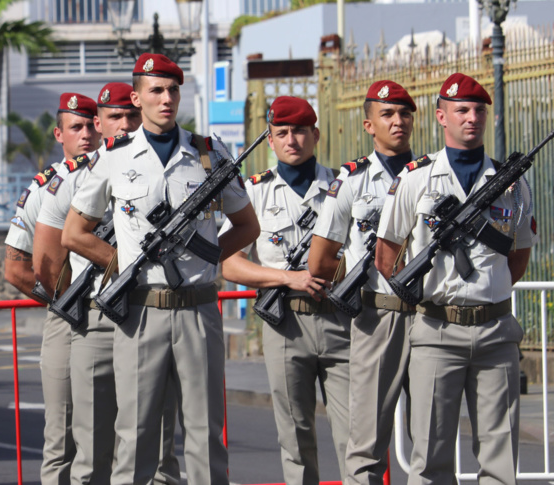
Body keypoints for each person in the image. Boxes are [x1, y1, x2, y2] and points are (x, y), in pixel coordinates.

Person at [62, 53, 259, 484]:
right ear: (137, 98)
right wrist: (125, 266)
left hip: (198, 309)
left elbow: (248, 226)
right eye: (156, 90)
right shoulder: (114, 156)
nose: (166, 98)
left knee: (205, 435)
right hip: (140, 311)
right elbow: (75, 233)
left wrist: (209, 257)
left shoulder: (208, 153)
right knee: (135, 437)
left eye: (172, 90)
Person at [376, 73, 535, 485]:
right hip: (436, 330)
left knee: (500, 459)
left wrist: (486, 292)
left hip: (496, 331)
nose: (472, 118)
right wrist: (422, 292)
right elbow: (386, 254)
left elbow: (519, 256)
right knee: (430, 458)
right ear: (441, 116)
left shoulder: (512, 184)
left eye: (479, 110)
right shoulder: (415, 178)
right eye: (462, 110)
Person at [33, 82, 180, 485]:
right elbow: (48, 264)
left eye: (131, 115)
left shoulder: (164, 167)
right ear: (99, 124)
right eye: (115, 117)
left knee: (157, 444)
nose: (126, 124)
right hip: (97, 315)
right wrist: (92, 295)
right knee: (93, 445)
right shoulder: (73, 179)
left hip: (152, 311)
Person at [221, 96, 350, 485]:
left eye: (299, 131)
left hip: (342, 320)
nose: (291, 140)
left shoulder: (344, 185)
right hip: (285, 324)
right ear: (271, 140)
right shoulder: (254, 192)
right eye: (282, 133)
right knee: (295, 438)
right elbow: (228, 262)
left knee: (356, 436)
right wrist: (286, 278)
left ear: (316, 135)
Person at [307, 80, 416, 485]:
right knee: (366, 442)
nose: (398, 121)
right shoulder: (352, 180)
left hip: (429, 314)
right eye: (387, 114)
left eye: (404, 113)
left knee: (432, 436)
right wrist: (354, 274)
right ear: (369, 125)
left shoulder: (431, 174)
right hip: (378, 315)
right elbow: (320, 260)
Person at [4, 92, 100, 484]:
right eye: (76, 127)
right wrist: (65, 300)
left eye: (92, 125)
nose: (86, 134)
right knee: (62, 433)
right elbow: (16, 269)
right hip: (68, 316)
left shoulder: (118, 174)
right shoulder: (45, 188)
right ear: (59, 134)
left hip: (122, 313)